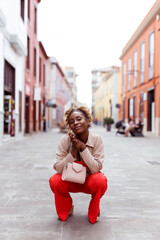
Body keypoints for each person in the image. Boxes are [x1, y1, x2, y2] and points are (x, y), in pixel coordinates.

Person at [49, 106, 108, 224]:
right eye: (71, 122)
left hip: (89, 181)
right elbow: (58, 169)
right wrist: (73, 152)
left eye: (79, 119)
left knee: (100, 180)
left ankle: (94, 210)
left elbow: (96, 168)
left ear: (88, 120)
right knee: (54, 180)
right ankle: (67, 206)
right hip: (70, 180)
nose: (75, 123)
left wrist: (83, 148)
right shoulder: (64, 140)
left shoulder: (97, 139)